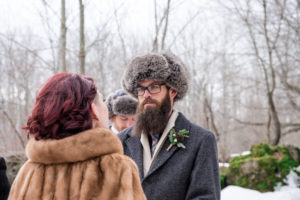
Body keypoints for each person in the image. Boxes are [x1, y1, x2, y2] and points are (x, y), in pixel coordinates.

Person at [8, 73, 146, 200]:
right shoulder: (116, 169)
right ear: (93, 110)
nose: (106, 109)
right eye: (102, 101)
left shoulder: (29, 172)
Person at [119, 52, 220, 200]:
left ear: (173, 91)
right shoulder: (121, 140)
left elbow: (206, 197)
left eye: (154, 87)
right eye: (141, 89)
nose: (146, 95)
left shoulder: (201, 140)